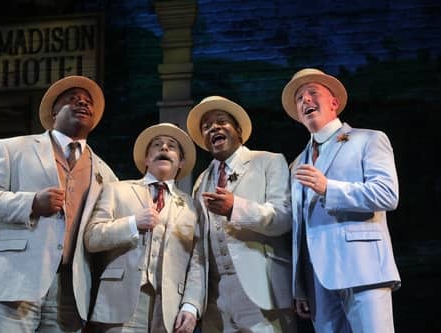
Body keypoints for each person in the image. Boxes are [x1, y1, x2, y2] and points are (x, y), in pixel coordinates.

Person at [0, 75, 118, 332]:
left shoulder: (105, 172)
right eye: (72, 100)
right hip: (15, 281)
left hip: (69, 291)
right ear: (54, 112)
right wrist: (32, 203)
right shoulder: (14, 148)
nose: (82, 103)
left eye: (87, 102)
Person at [281, 68, 401, 333]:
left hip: (364, 269)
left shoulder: (368, 139)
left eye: (313, 93)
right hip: (318, 284)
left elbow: (387, 194)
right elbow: (299, 228)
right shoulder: (296, 163)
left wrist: (329, 188)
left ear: (334, 102)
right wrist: (300, 285)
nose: (306, 100)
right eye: (300, 98)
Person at [186, 96, 296, 333]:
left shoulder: (268, 162)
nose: (214, 127)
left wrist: (235, 208)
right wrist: (192, 303)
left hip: (263, 290)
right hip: (218, 299)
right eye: (206, 127)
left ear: (238, 130)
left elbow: (283, 217)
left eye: (221, 121)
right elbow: (199, 250)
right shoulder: (201, 182)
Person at [84, 123, 204, 333]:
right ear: (147, 159)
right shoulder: (117, 190)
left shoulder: (192, 206)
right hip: (118, 301)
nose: (164, 148)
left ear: (181, 162)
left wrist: (191, 305)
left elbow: (198, 261)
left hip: (169, 308)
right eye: (157, 145)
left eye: (171, 146)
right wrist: (132, 223)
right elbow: (92, 238)